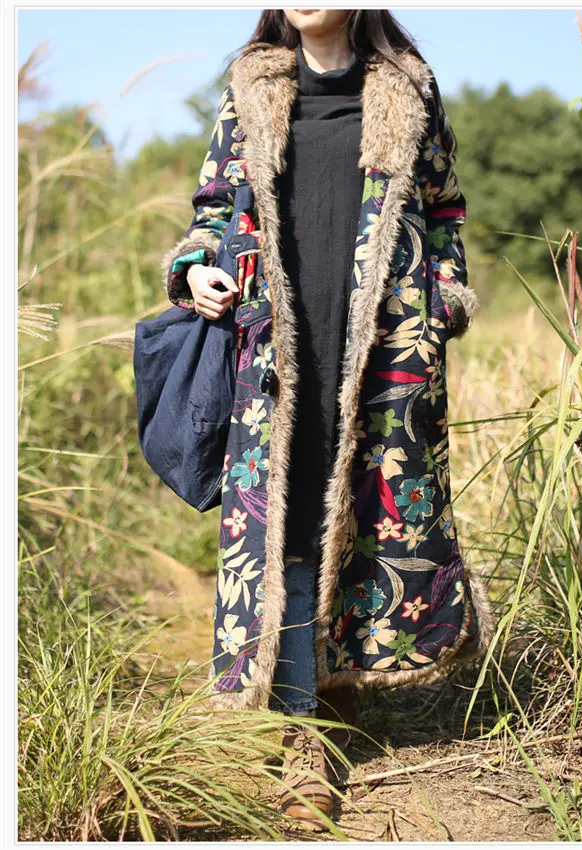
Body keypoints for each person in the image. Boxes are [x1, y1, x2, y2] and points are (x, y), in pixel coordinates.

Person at [161, 8, 495, 828]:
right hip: (277, 345)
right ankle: (303, 733)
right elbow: (213, 207)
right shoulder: (250, 87)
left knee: (365, 515)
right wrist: (195, 269)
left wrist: (442, 303)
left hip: (382, 348)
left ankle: (337, 684)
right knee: (290, 514)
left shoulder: (407, 89)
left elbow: (445, 211)